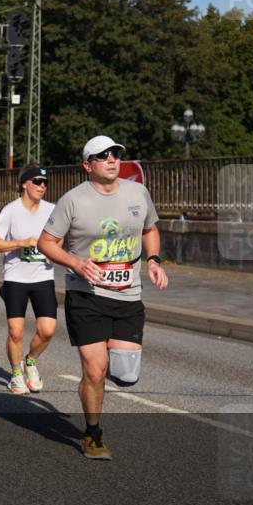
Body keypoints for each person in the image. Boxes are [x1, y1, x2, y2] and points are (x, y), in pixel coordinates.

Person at [38, 135, 168, 460]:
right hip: (87, 296)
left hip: (128, 296)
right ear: (87, 165)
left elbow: (150, 229)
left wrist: (153, 260)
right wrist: (76, 263)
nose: (112, 159)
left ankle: (94, 382)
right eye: (103, 155)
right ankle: (93, 432)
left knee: (125, 376)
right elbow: (46, 242)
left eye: (115, 154)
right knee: (95, 370)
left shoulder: (137, 192)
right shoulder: (72, 200)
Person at [0, 165, 56, 394]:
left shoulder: (51, 210)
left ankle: (31, 361)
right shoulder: (11, 211)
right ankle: (16, 374)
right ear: (24, 184)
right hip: (15, 277)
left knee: (47, 330)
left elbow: (61, 239)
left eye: (45, 182)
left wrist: (54, 248)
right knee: (16, 331)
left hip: (43, 276)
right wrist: (21, 243)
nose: (42, 186)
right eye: (37, 181)